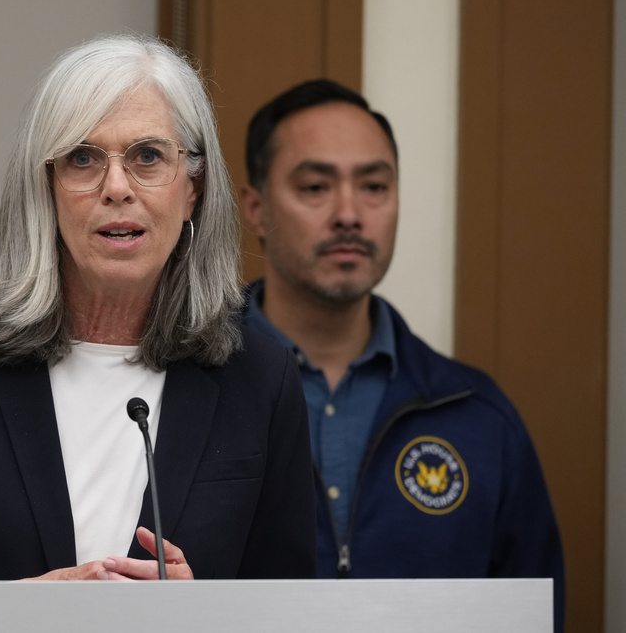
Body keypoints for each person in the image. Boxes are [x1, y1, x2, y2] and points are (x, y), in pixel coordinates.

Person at [0, 34, 317, 632]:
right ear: (45, 187)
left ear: (193, 188)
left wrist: (204, 618)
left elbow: (291, 617)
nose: (116, 187)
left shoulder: (260, 376)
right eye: (82, 158)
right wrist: (13, 613)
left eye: (148, 156)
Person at [239, 80, 565, 628]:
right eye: (316, 186)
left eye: (374, 186)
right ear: (256, 209)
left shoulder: (477, 416)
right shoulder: (180, 389)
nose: (349, 213)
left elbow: (535, 612)